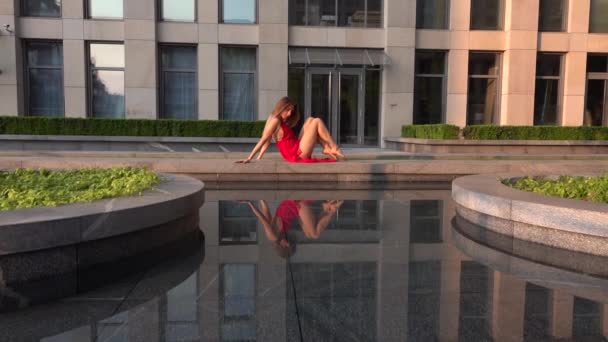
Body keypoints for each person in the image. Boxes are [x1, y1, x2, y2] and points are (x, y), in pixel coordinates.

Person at [236, 97, 346, 163]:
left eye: (291, 111)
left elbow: (267, 139)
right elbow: (264, 139)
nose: (289, 114)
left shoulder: (273, 118)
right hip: (296, 154)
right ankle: (334, 147)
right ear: (281, 108)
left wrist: (259, 158)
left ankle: (327, 148)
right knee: (316, 121)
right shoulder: (275, 121)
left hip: (295, 148)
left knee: (310, 120)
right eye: (287, 110)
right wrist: (250, 158)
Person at [242, 199, 344, 258]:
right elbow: (266, 210)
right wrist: (262, 199)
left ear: (283, 246)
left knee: (314, 234)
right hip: (295, 208)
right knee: (310, 234)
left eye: (288, 245)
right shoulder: (282, 234)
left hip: (296, 204)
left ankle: (330, 210)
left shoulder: (272, 236)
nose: (289, 243)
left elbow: (262, 217)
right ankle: (328, 208)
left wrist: (250, 203)